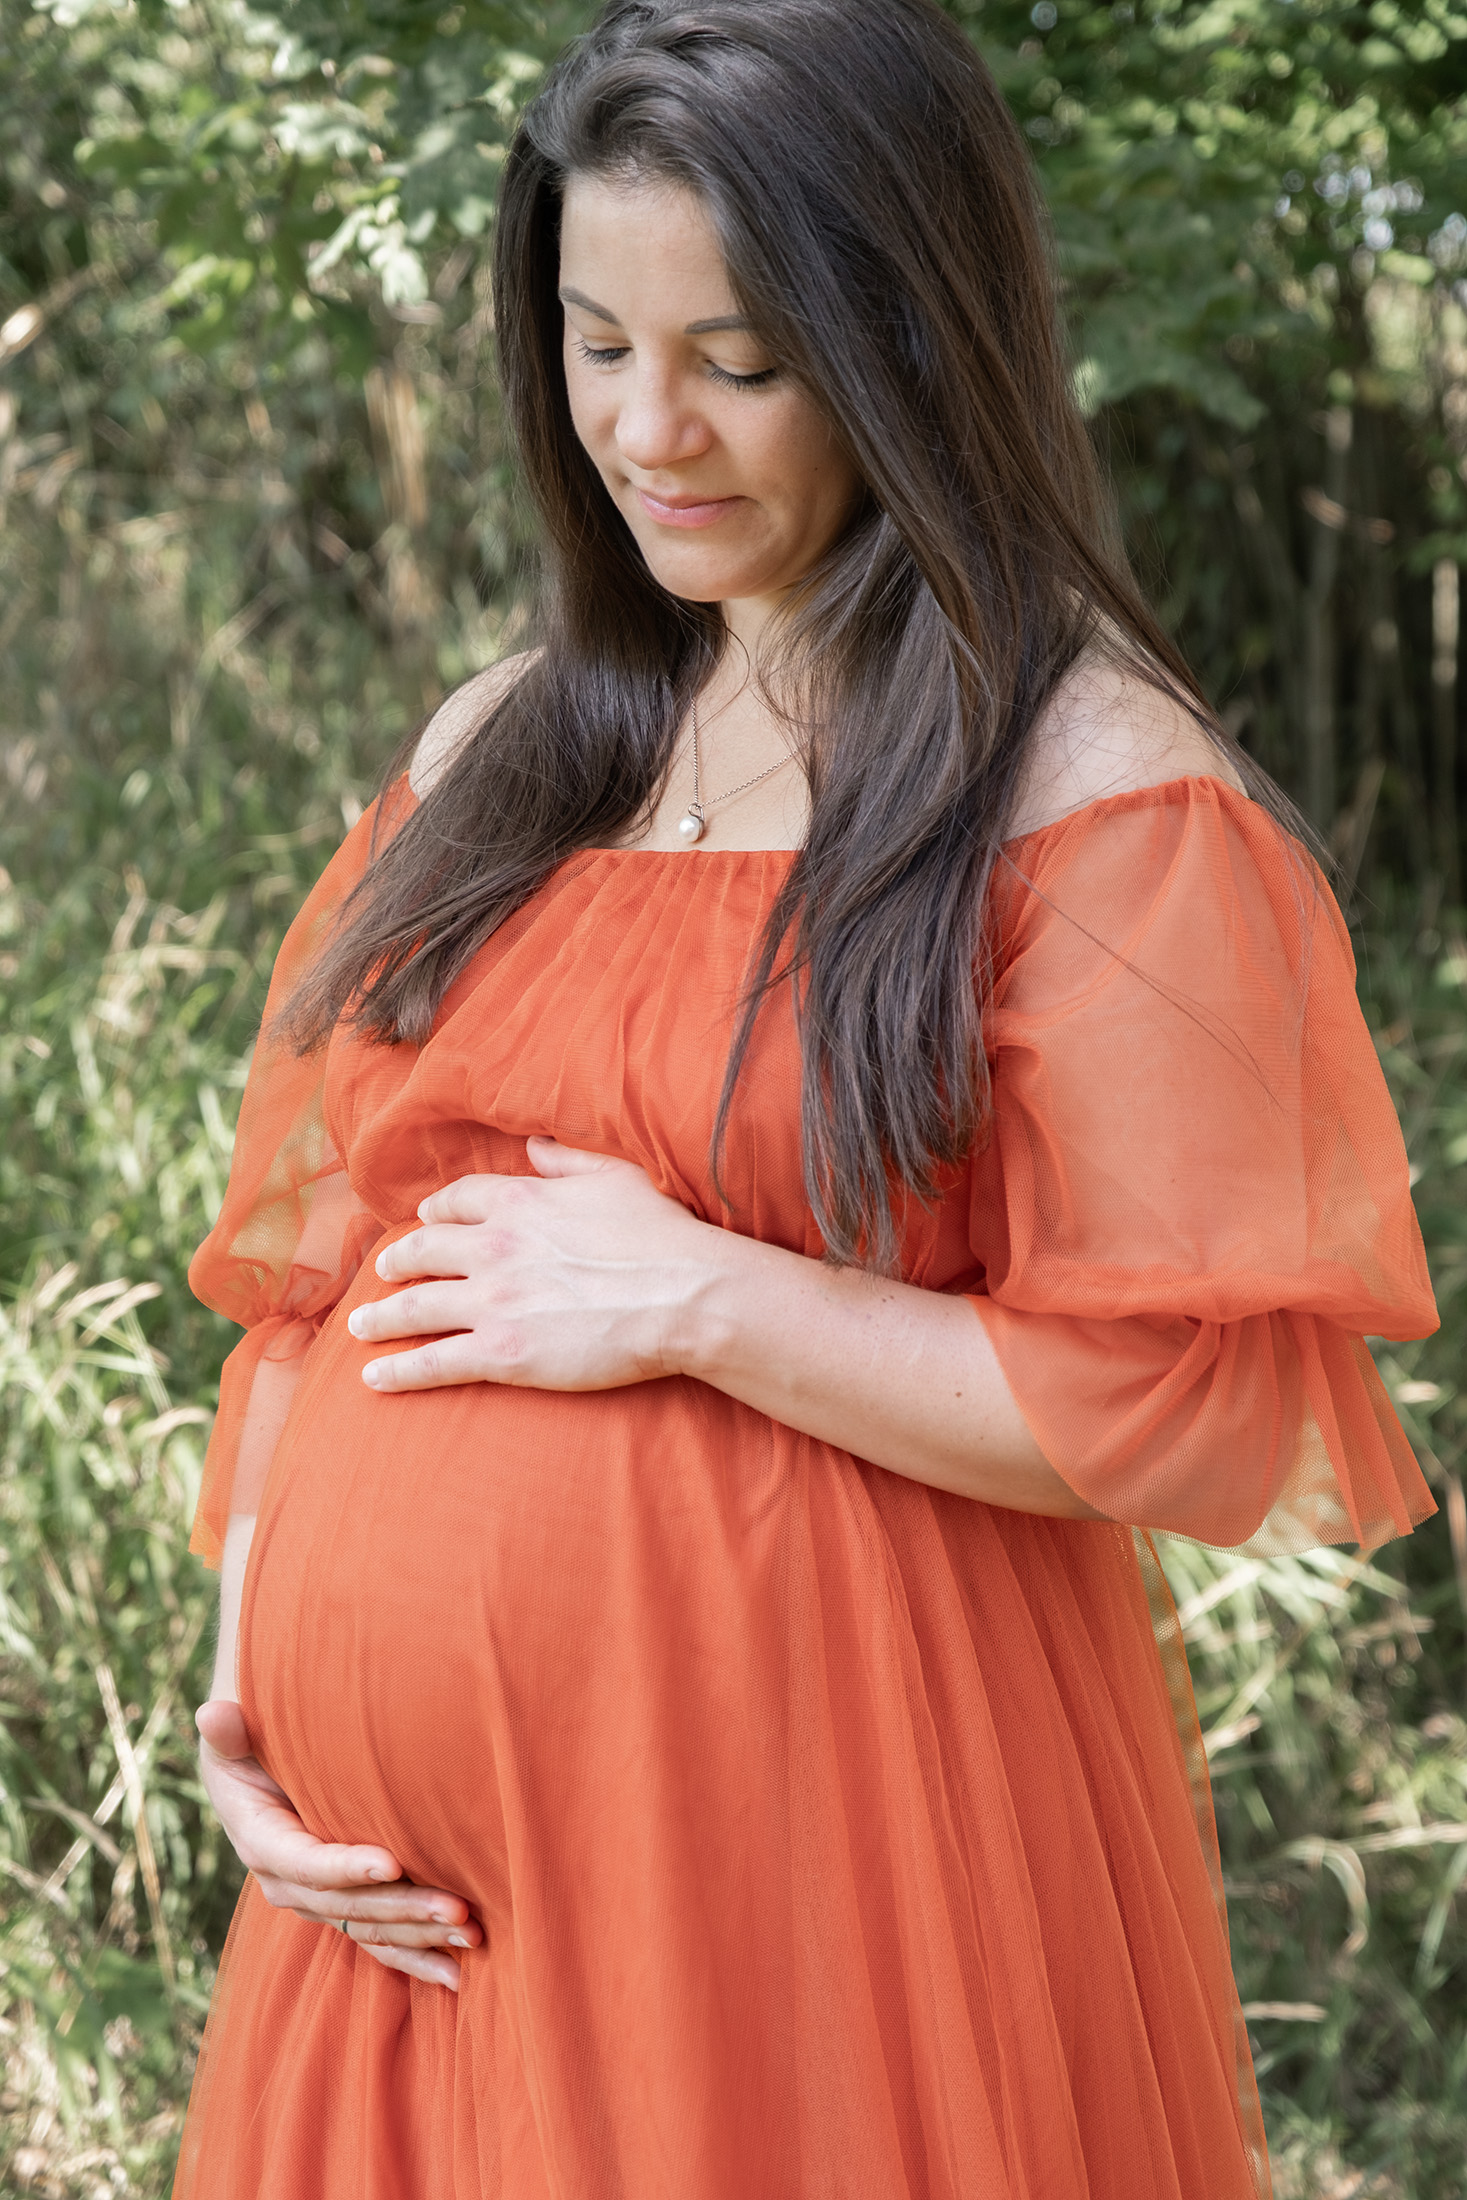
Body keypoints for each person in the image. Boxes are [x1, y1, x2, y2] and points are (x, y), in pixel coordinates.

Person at [173, 3, 1438, 2194]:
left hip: (810, 1854)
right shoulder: (511, 742)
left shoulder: (1085, 788)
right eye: (590, 342)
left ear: (909, 342)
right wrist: (248, 1679)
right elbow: (322, 1282)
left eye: (737, 361)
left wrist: (698, 1300)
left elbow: (1192, 1407)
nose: (644, 428)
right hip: (395, 1924)